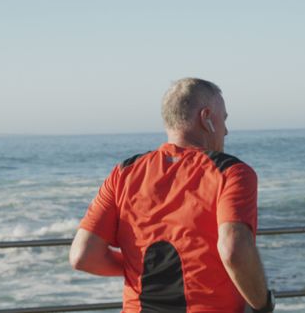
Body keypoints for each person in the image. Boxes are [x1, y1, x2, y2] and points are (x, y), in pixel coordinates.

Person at [69, 78, 274, 312]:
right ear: (206, 118)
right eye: (223, 119)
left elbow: (82, 256)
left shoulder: (124, 172)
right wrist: (263, 304)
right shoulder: (231, 172)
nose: (226, 130)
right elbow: (234, 249)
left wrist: (148, 266)